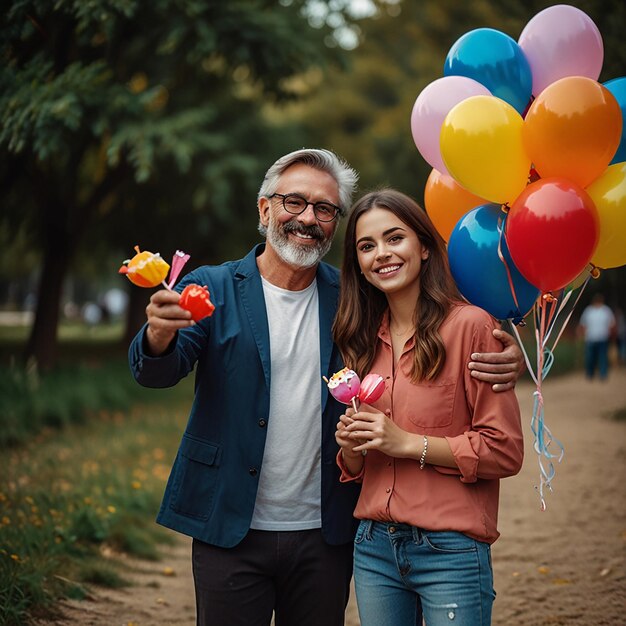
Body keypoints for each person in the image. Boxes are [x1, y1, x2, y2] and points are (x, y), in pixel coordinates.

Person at [128, 150, 523, 626]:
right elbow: (157, 371)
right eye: (294, 202)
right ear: (265, 209)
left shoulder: (354, 300)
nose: (308, 218)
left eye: (325, 209)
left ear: (335, 223)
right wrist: (158, 335)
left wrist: (506, 351)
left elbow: (430, 325)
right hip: (228, 525)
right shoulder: (212, 288)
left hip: (326, 532)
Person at [333, 189, 524, 626]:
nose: (382, 254)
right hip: (374, 548)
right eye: (366, 246)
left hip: (450, 550)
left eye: (394, 238)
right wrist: (352, 447)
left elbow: (505, 451)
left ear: (422, 246)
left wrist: (407, 443)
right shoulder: (360, 342)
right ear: (358, 265)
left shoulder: (470, 327)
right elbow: (358, 466)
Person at [577, 293, 617, 380]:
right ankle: (590, 374)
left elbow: (611, 324)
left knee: (602, 357)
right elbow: (583, 324)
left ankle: (603, 374)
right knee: (590, 358)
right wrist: (581, 334)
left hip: (603, 337)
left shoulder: (606, 310)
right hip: (590, 338)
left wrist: (612, 335)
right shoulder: (588, 311)